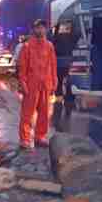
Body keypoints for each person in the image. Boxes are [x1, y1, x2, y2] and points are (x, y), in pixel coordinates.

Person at [17, 19, 58, 149]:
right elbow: (22, 67)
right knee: (27, 114)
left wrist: (54, 81)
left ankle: (40, 136)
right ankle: (25, 139)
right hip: (31, 84)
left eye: (42, 28)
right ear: (34, 29)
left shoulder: (49, 46)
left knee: (44, 113)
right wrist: (23, 82)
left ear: (46, 29)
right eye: (38, 28)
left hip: (45, 84)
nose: (40, 30)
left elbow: (52, 65)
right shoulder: (27, 46)